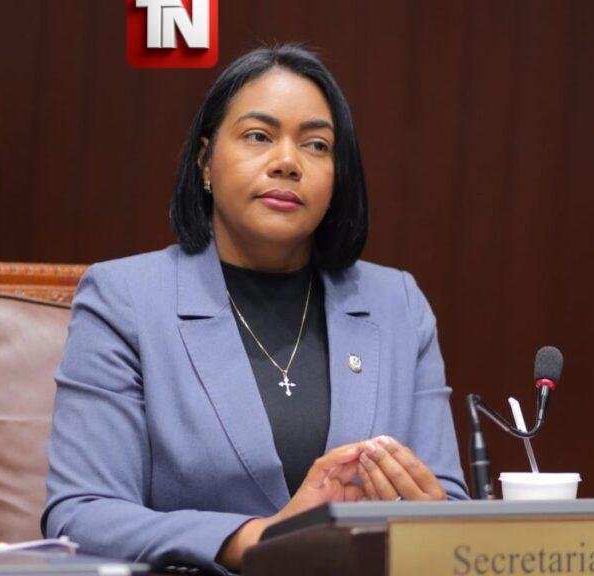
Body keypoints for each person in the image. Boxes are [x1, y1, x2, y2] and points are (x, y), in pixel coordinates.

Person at [41, 44, 468, 574]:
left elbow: (447, 501)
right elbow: (82, 514)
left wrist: (432, 517)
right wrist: (262, 539)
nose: (287, 162)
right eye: (259, 136)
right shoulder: (125, 298)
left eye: (316, 145)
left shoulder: (396, 305)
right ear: (205, 162)